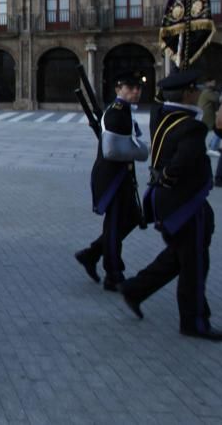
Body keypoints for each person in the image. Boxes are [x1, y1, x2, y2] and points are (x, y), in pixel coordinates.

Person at [118, 70, 222, 342]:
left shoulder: (163, 116)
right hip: (183, 202)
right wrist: (169, 178)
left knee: (180, 255)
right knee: (194, 263)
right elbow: (183, 162)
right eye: (195, 89)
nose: (198, 93)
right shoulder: (191, 126)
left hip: (167, 198)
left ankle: (135, 289)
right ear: (189, 92)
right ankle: (194, 321)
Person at [74, 71, 149, 291]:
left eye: (138, 88)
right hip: (112, 177)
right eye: (130, 87)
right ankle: (113, 273)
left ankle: (91, 253)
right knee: (115, 225)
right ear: (118, 89)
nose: (135, 92)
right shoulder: (117, 113)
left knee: (133, 218)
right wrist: (141, 151)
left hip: (122, 175)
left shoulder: (124, 112)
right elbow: (112, 151)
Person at [197, 75, 222, 157]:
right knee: (218, 130)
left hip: (207, 114)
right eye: (213, 82)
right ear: (208, 82)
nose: (214, 84)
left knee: (217, 130)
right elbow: (217, 98)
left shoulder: (206, 90)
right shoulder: (207, 91)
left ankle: (212, 146)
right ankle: (212, 148)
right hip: (207, 115)